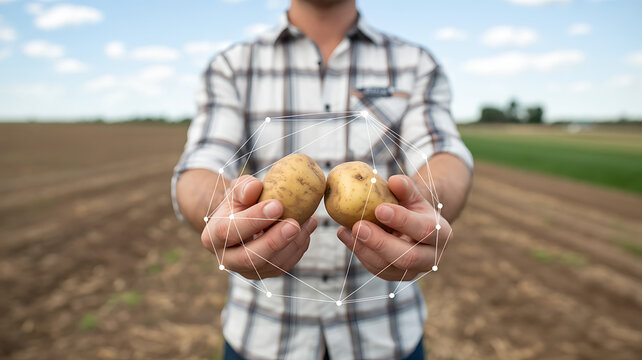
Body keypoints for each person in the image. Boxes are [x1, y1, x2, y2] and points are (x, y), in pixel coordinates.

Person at [172, 0, 473, 358]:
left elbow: (443, 154)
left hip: (385, 336)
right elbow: (201, 165)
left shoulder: (416, 63)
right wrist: (225, 214)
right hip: (264, 335)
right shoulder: (233, 66)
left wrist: (417, 207)